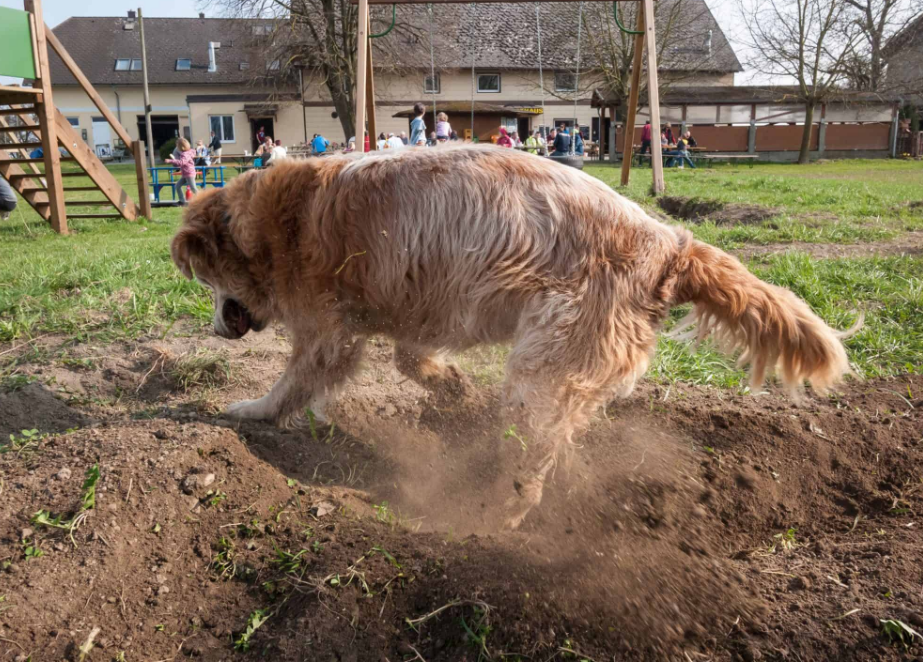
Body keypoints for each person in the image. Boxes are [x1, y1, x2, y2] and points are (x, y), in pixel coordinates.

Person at [165, 137, 197, 205]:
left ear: (181, 147)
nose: (177, 148)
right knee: (177, 186)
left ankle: (203, 200)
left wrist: (170, 161)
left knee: (193, 188)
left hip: (189, 174)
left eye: (177, 146)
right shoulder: (188, 152)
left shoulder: (185, 154)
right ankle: (182, 201)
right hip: (186, 174)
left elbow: (182, 162)